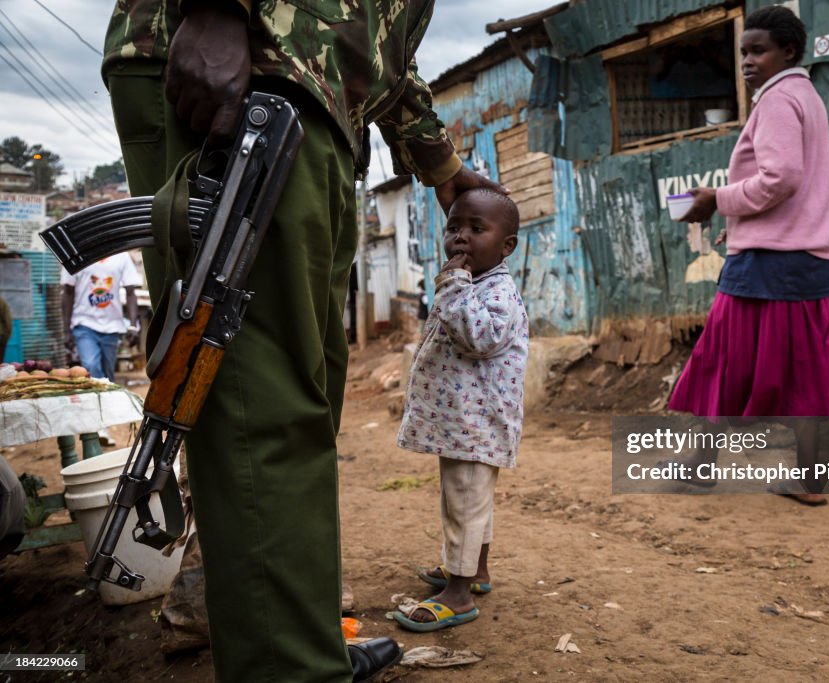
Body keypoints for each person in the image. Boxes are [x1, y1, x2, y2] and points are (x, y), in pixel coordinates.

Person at [102, 2, 503, 681]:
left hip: (321, 94)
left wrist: (440, 164)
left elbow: (387, 46)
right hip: (245, 64)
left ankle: (303, 637)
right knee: (263, 399)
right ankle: (288, 665)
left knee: (310, 397)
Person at [667, 6, 829, 505]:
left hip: (767, 263)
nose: (747, 61)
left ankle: (699, 466)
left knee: (723, 359)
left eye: (759, 50)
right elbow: (796, 187)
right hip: (808, 258)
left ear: (788, 51)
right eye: (743, 51)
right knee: (805, 371)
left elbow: (780, 179)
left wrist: (716, 201)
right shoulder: (806, 96)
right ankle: (809, 481)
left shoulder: (777, 100)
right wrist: (738, 223)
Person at [392, 188, 528, 632]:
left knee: (464, 507)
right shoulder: (476, 283)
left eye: (476, 228)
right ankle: (476, 572)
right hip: (463, 423)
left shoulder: (498, 291)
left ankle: (458, 592)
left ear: (506, 246)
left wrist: (452, 285)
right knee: (471, 504)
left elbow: (479, 337)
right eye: (454, 227)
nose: (461, 238)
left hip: (475, 425)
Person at [60, 253, 142, 447]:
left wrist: (132, 325)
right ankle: (98, 427)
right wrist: (66, 330)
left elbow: (130, 291)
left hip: (112, 327)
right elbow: (68, 292)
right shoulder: (74, 255)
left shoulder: (121, 256)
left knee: (107, 375)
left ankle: (103, 420)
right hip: (83, 324)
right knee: (90, 366)